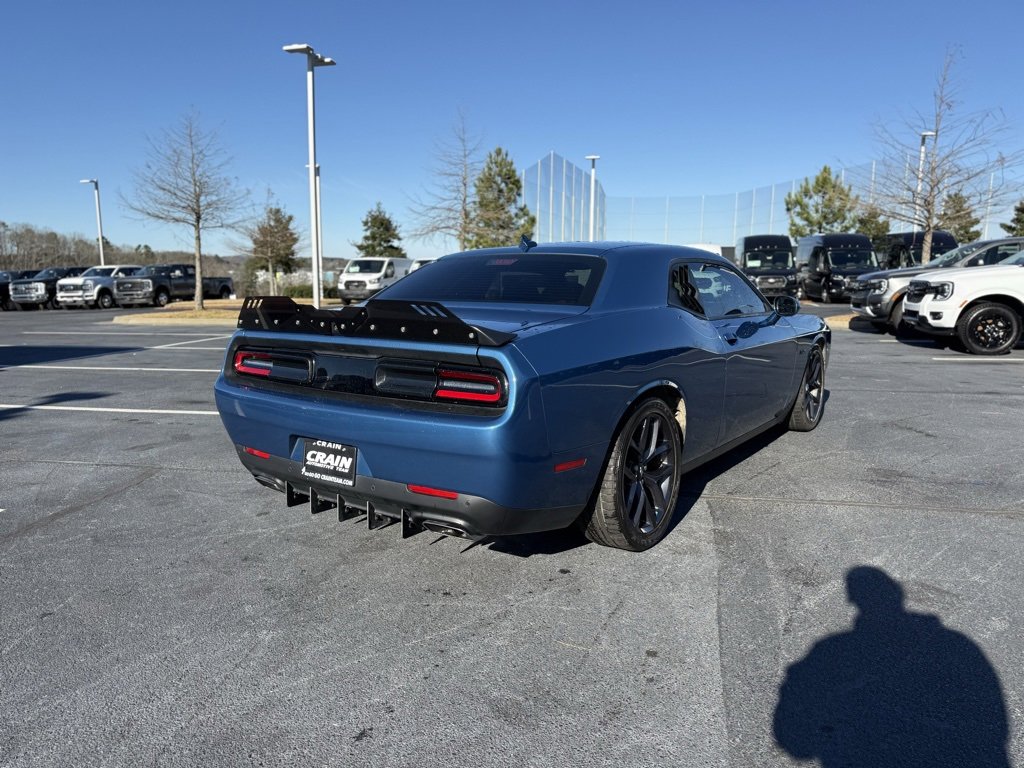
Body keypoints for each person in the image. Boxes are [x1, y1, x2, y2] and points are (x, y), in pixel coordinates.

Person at [773, 566, 1009, 767]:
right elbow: (991, 724)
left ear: (853, 599)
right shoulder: (958, 644)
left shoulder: (832, 649)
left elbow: (795, 740)